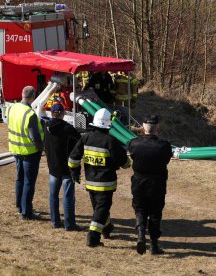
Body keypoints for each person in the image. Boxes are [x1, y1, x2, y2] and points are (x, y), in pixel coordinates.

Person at [68, 108, 130, 247]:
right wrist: (128, 163)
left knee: (99, 208)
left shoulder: (85, 138)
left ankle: (107, 228)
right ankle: (93, 237)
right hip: (106, 183)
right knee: (101, 209)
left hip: (90, 182)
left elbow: (73, 157)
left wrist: (75, 171)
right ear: (108, 125)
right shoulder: (110, 141)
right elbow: (123, 161)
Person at [128, 115, 172, 255]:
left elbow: (133, 155)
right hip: (157, 183)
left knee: (140, 209)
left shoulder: (133, 143)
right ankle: (154, 245)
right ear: (157, 128)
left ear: (143, 127)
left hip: (139, 181)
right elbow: (166, 159)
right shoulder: (164, 145)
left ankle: (141, 234)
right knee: (155, 213)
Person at [7, 86, 44, 220]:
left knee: (20, 178)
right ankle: (26, 212)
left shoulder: (12, 108)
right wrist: (42, 148)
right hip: (30, 152)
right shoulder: (30, 114)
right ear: (33, 96)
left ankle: (19, 206)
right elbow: (35, 138)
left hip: (16, 149)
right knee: (29, 182)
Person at [43, 103, 81, 230]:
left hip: (52, 168)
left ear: (52, 114)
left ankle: (55, 221)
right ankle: (69, 224)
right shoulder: (68, 129)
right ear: (63, 114)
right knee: (68, 197)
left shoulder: (46, 128)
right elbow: (79, 141)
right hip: (66, 168)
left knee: (53, 195)